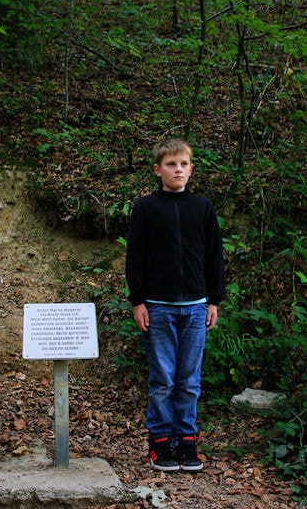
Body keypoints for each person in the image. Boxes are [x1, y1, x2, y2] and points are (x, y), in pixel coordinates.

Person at [125, 139, 226, 472]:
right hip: (158, 306)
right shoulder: (146, 208)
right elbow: (135, 257)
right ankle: (160, 443)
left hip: (197, 307)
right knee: (163, 380)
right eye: (171, 164)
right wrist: (138, 300)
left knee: (189, 380)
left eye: (183, 164)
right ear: (158, 170)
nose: (178, 169)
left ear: (191, 169)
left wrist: (214, 299)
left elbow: (214, 256)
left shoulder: (203, 207)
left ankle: (186, 440)